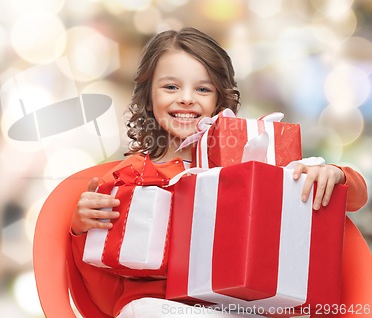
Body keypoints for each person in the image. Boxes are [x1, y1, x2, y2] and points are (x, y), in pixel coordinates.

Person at [69, 27, 369, 318]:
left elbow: (352, 199)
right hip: (157, 307)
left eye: (202, 88)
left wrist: (334, 174)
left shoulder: (250, 163)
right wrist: (82, 228)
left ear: (219, 100)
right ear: (147, 96)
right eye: (171, 86)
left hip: (242, 306)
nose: (186, 98)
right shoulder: (129, 178)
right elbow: (101, 287)